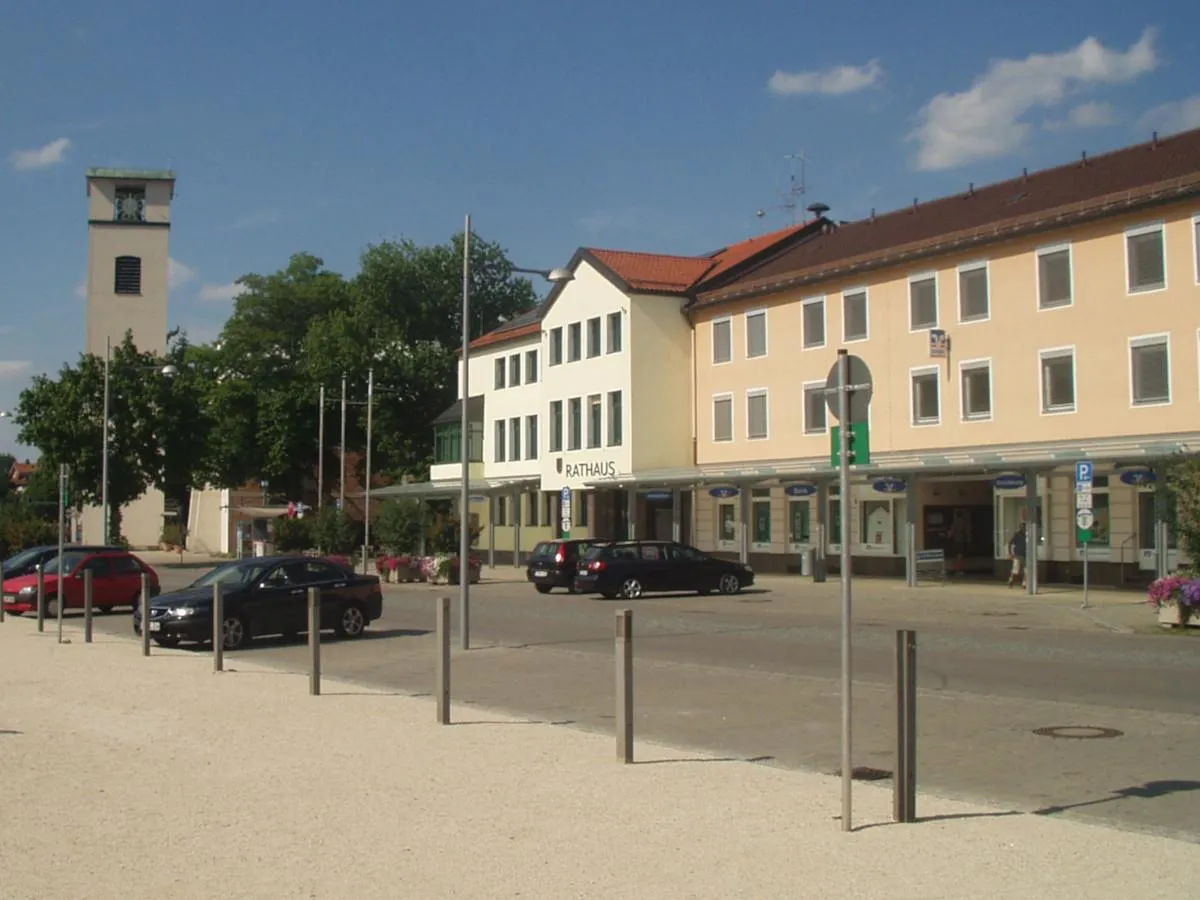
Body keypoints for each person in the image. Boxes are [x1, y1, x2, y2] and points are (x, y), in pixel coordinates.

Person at [1008, 523, 1027, 589]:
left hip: (1026, 555)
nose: (1023, 529)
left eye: (1024, 527)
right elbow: (1010, 543)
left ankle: (1024, 583)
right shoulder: (1017, 534)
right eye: (1022, 527)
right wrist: (1010, 553)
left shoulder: (1028, 535)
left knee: (1026, 570)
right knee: (1015, 570)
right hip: (1017, 555)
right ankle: (1011, 580)